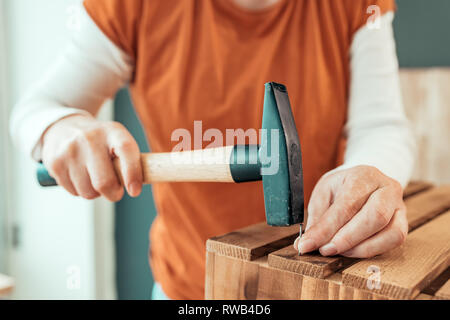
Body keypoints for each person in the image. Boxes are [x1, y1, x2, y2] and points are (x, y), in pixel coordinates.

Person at [10, 0, 415, 300]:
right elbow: (35, 110)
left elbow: (380, 124)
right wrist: (59, 127)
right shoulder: (131, 6)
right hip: (187, 286)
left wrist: (368, 173)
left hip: (312, 282)